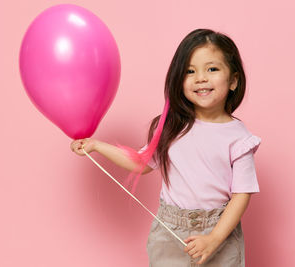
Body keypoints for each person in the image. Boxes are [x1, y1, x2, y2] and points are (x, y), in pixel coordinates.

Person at [70, 28, 261, 267]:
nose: (201, 77)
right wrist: (96, 145)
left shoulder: (238, 137)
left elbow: (241, 195)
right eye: (190, 71)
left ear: (233, 80)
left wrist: (214, 238)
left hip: (218, 231)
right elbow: (141, 161)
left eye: (212, 69)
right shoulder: (172, 127)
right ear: (178, 80)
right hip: (170, 230)